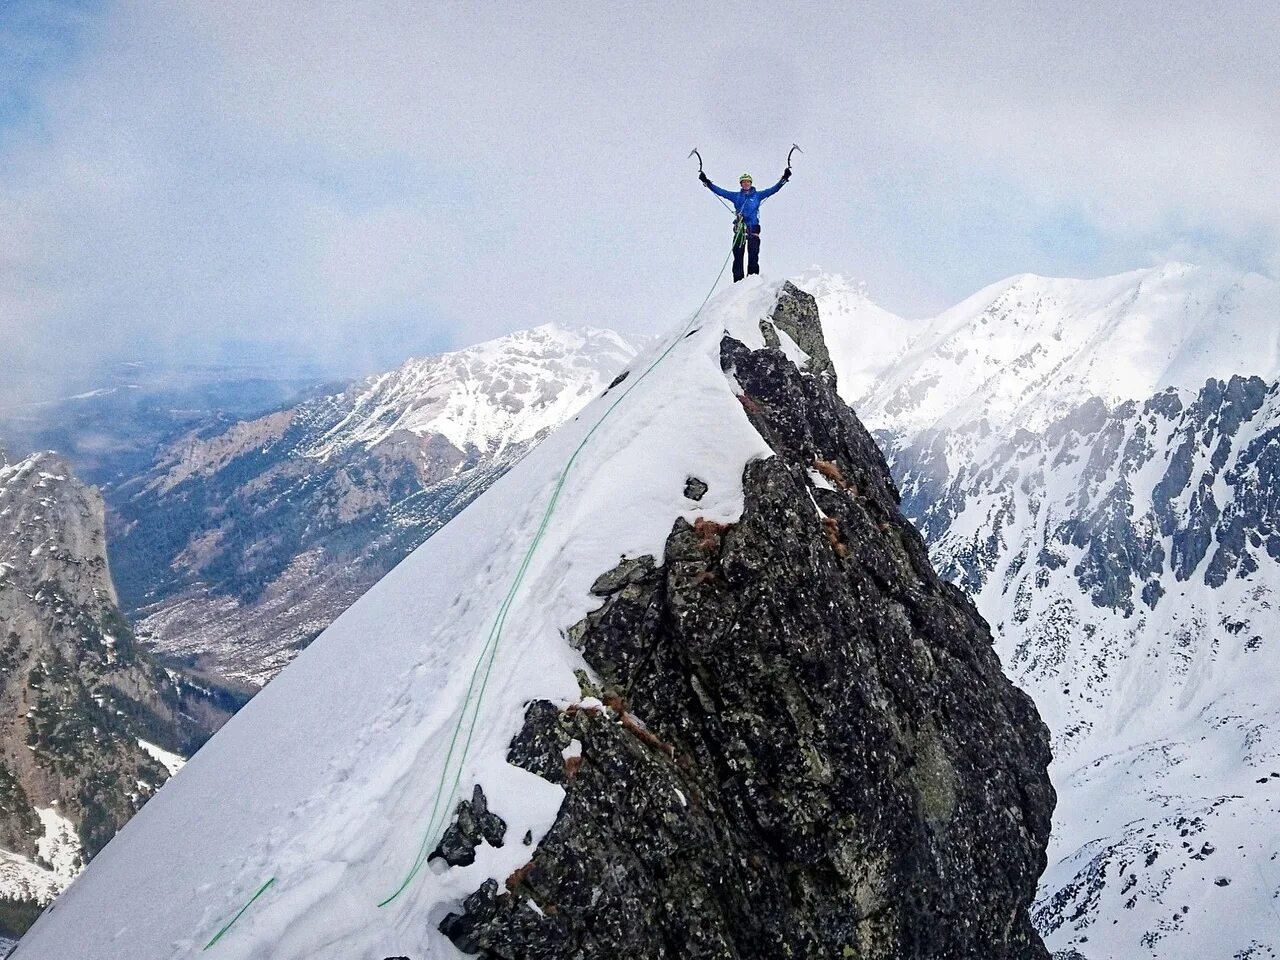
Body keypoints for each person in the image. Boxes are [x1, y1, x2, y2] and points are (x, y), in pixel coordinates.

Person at [699, 167, 791, 281]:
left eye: (748, 181)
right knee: (738, 257)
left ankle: (752, 281)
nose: (746, 183)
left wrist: (784, 178)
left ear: (751, 183)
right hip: (740, 229)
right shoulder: (736, 196)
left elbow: (774, 189)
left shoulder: (758, 195)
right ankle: (738, 282)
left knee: (753, 255)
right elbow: (721, 191)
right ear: (741, 184)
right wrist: (707, 182)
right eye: (743, 182)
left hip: (753, 229)